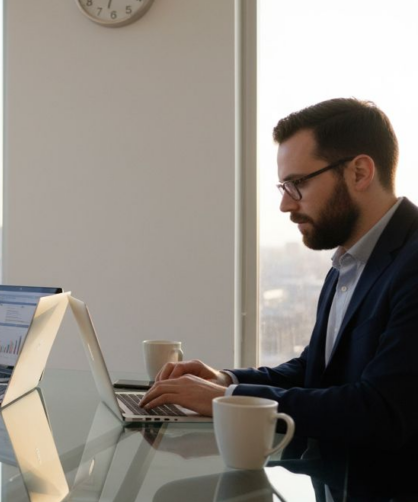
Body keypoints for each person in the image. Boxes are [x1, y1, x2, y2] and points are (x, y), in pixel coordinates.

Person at [141, 98, 418, 449]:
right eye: (284, 187)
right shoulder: (348, 262)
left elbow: (381, 408)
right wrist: (223, 378)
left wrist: (227, 396)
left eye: (297, 183)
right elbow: (314, 372)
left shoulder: (410, 263)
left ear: (359, 173)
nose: (285, 204)